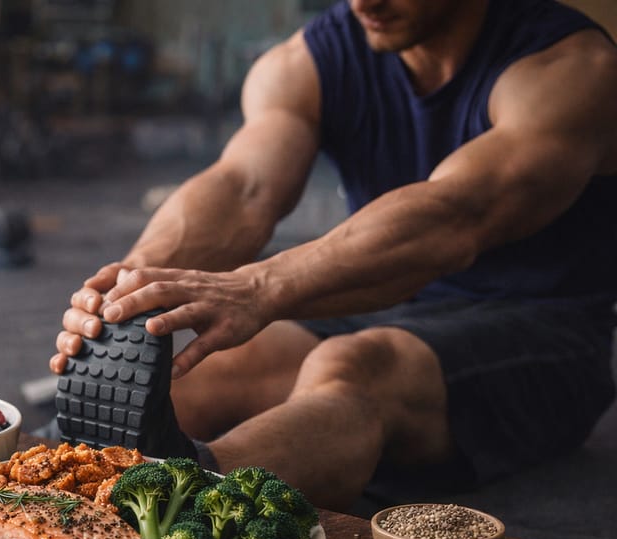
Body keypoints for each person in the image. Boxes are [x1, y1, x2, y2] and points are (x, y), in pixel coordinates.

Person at [47, 0, 617, 511]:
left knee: (354, 364)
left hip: (546, 330)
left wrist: (256, 288)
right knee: (191, 365)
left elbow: (452, 219)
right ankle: (46, 483)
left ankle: (193, 510)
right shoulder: (309, 61)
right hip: (392, 301)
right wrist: (133, 288)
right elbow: (244, 186)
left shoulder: (571, 70)